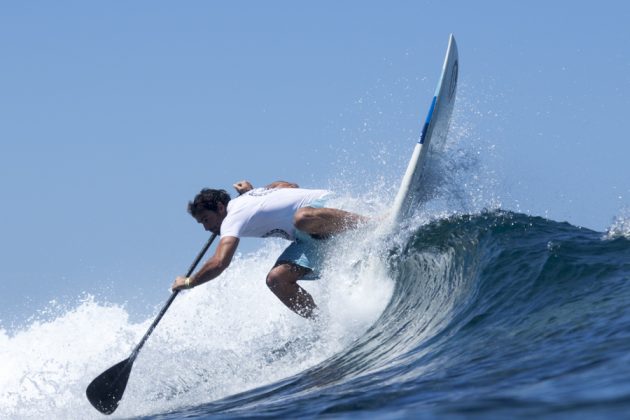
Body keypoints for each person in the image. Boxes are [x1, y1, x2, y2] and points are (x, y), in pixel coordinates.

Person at [171, 181, 367, 319]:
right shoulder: (250, 196)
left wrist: (189, 282)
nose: (206, 227)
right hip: (309, 237)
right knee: (276, 280)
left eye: (206, 219)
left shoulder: (232, 217)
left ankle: (372, 223)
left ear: (220, 208)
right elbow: (289, 186)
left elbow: (220, 262)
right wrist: (258, 191)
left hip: (326, 210)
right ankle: (325, 323)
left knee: (301, 219)